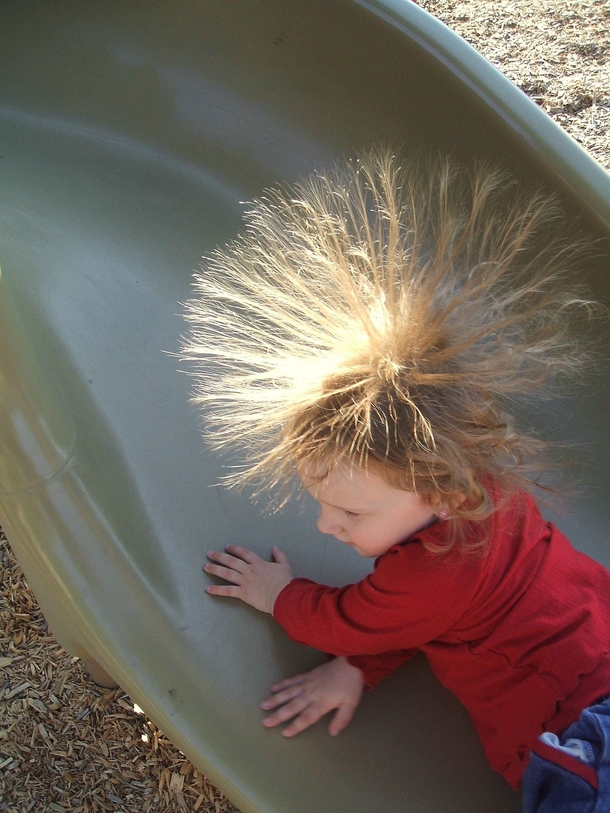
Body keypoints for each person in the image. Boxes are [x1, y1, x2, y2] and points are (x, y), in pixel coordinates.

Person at [180, 150, 610, 811]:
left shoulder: (427, 572)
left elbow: (351, 619)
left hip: (581, 734)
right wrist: (363, 666)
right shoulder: (490, 483)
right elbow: (436, 616)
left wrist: (280, 594)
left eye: (350, 513)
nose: (327, 526)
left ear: (438, 490)